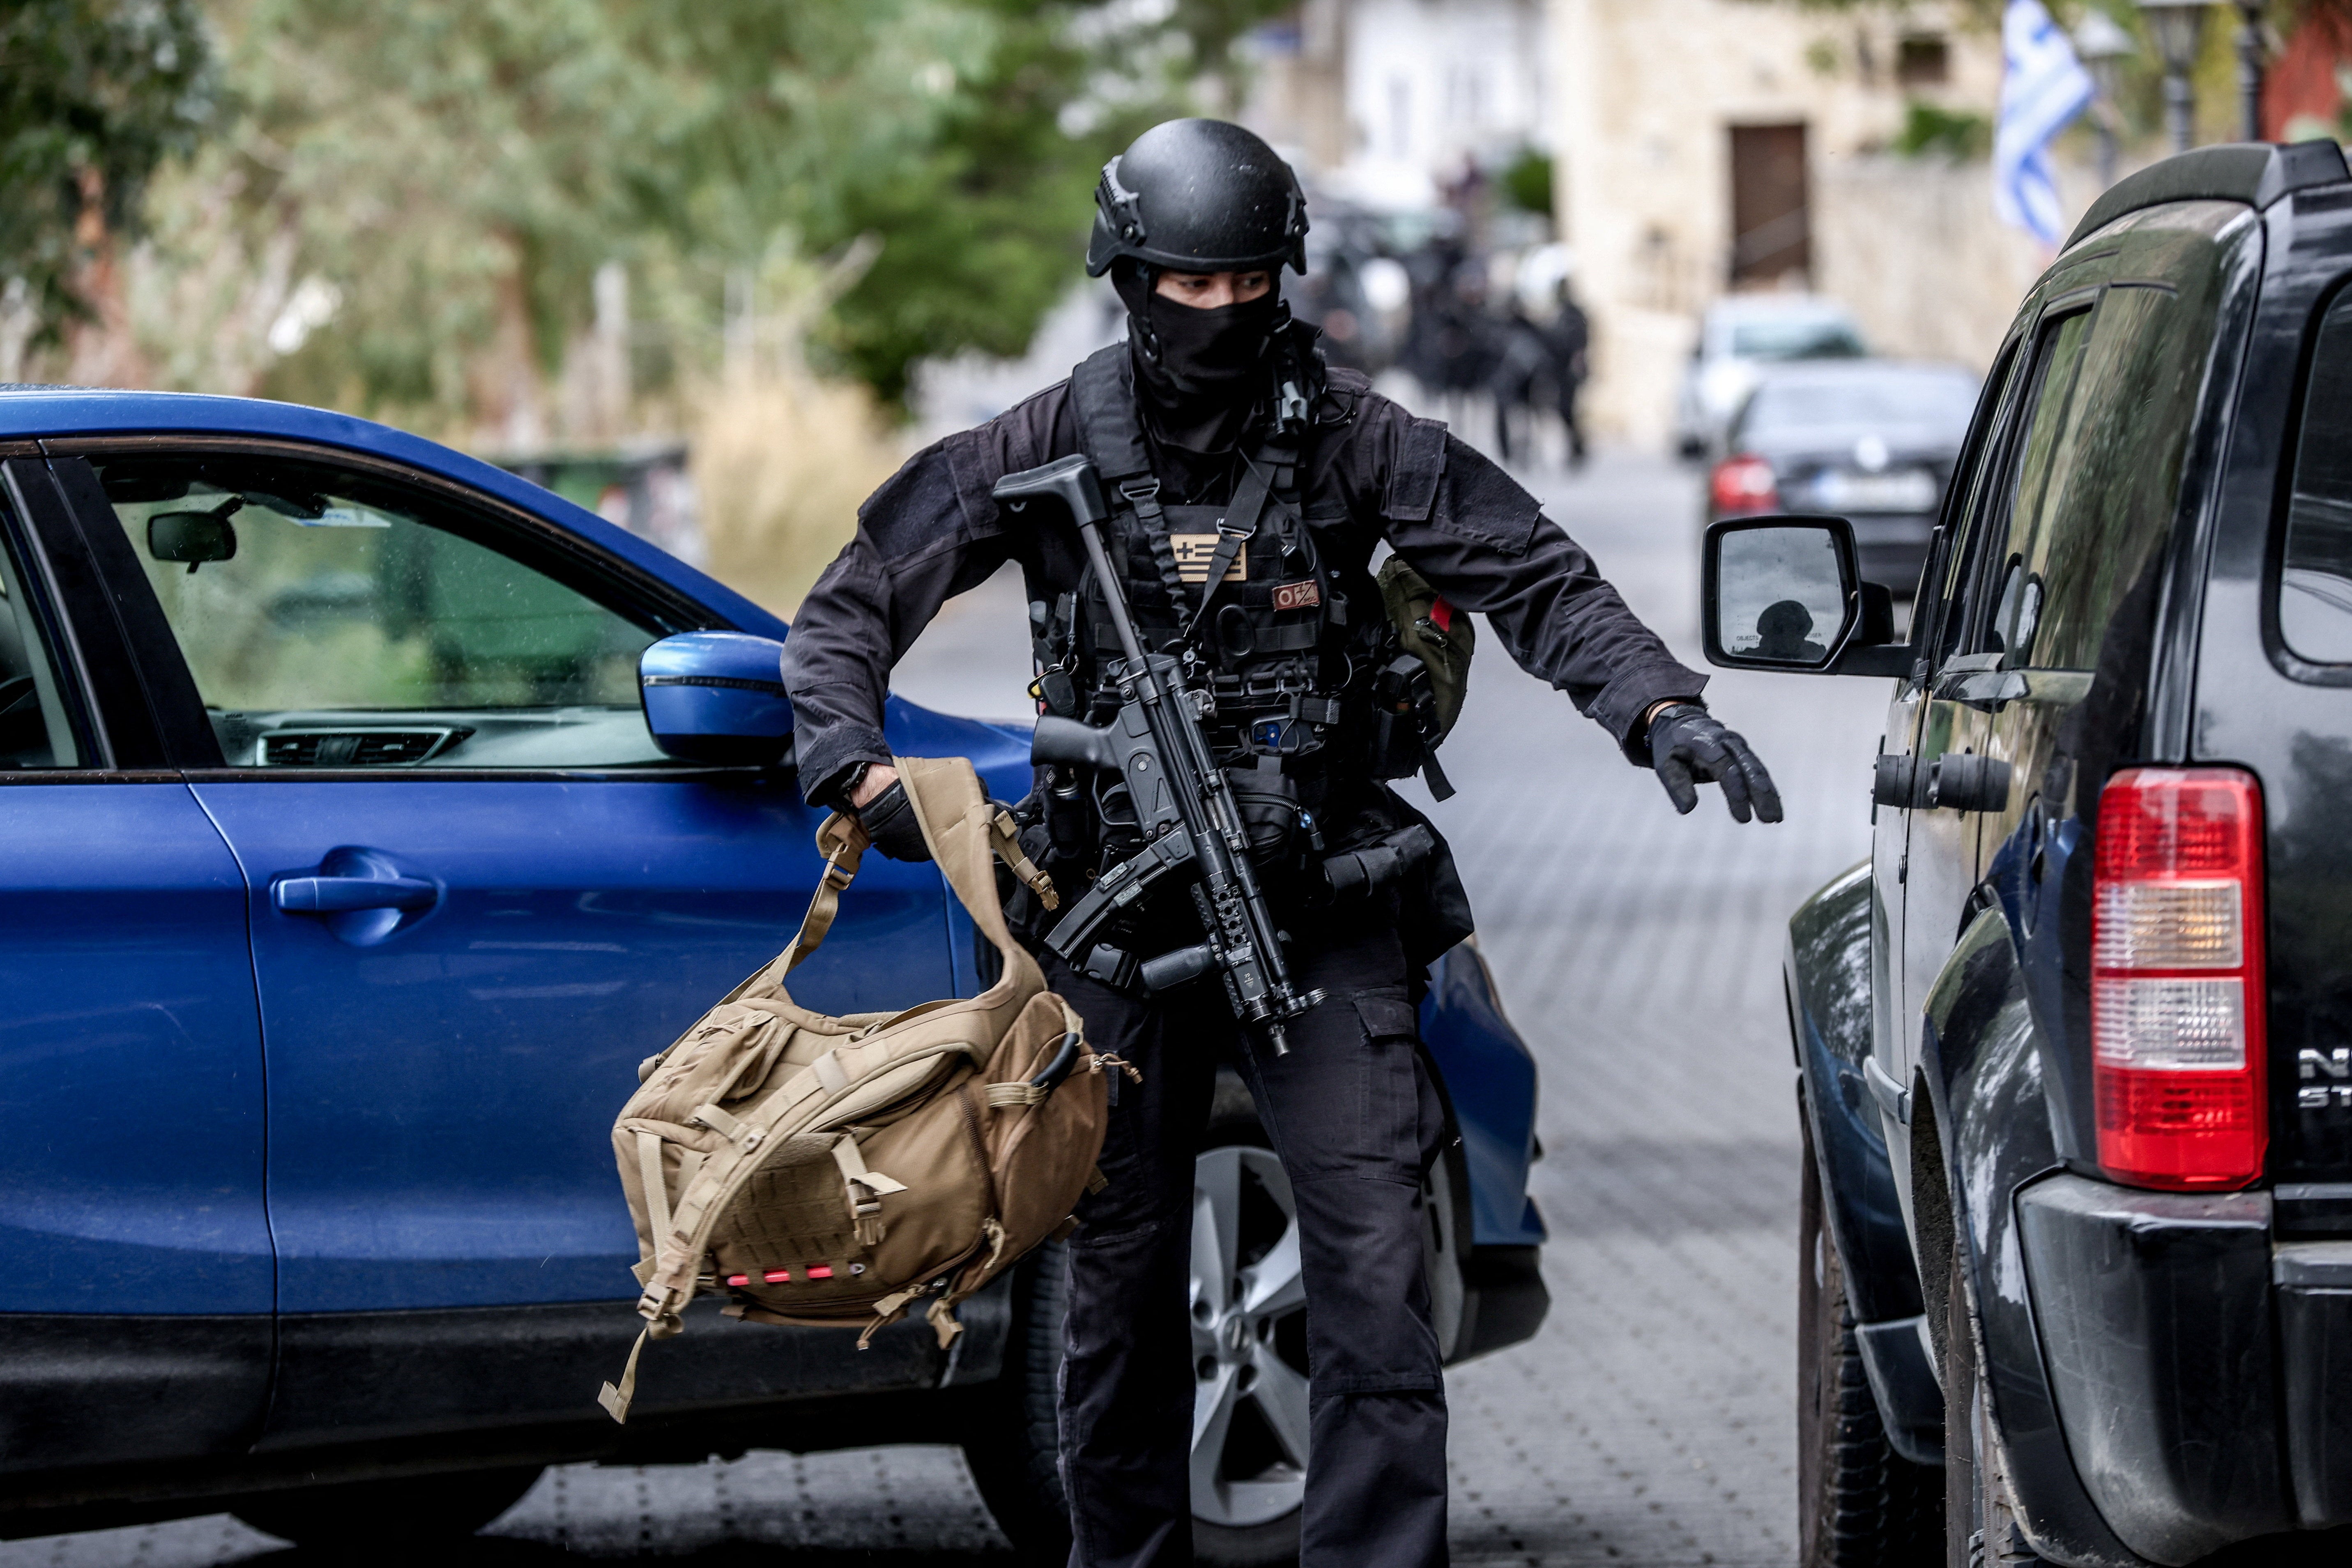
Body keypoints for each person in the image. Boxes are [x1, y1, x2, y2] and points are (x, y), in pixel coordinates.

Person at [779, 118, 1781, 1568]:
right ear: (1129, 281)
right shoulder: (1043, 444)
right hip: (1117, 920)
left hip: (1322, 908)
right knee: (1116, 1298)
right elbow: (850, 606)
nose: (1224, 314)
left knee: (1376, 1277)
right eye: (1190, 289)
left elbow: (1537, 574)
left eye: (1252, 285)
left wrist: (1660, 708)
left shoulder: (1356, 439)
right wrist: (853, 766)